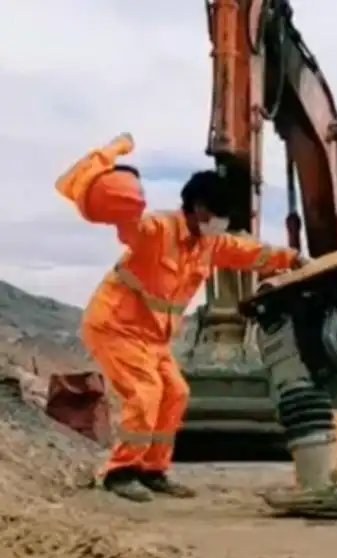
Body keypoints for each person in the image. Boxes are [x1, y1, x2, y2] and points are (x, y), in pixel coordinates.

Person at [77, 166, 306, 502]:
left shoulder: (209, 243)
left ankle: (153, 471)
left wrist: (295, 259)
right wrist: (119, 198)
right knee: (145, 394)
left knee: (176, 393)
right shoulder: (157, 229)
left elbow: (252, 253)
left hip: (152, 337)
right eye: (220, 214)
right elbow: (131, 229)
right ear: (199, 208)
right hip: (115, 326)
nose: (222, 223)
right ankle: (120, 473)